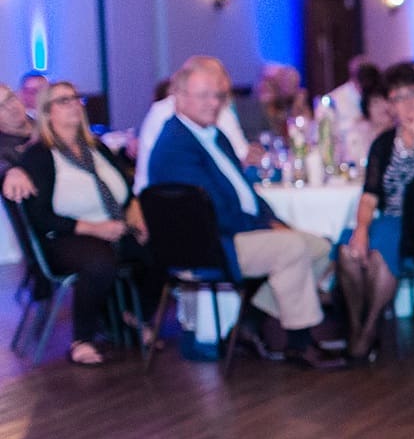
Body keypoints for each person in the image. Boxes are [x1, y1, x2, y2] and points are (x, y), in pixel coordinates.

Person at [147, 64, 343, 369]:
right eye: (203, 97)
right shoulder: (176, 145)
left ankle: (248, 324)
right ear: (179, 97)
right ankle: (299, 343)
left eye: (217, 96)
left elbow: (244, 192)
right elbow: (209, 210)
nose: (213, 104)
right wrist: (264, 228)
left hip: (233, 232)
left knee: (320, 247)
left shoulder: (212, 134)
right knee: (291, 248)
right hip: (210, 244)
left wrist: (272, 221)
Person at [18, 82, 160, 365]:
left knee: (165, 247)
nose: (74, 104)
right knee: (100, 261)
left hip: (114, 227)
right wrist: (94, 228)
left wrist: (135, 213)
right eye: (63, 101)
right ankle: (81, 339)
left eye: (76, 98)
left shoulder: (98, 147)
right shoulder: (41, 155)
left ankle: (133, 316)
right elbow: (40, 216)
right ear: (47, 113)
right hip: (65, 236)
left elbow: (127, 189)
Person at [336, 63, 414, 360]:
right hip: (389, 220)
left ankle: (368, 332)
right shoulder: (382, 144)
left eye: (412, 95)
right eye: (398, 98)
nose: (407, 104)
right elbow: (369, 196)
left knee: (381, 254)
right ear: (390, 104)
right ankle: (357, 326)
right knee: (347, 251)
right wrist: (362, 229)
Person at [134, 55, 251, 194]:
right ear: (181, 95)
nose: (214, 102)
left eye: (219, 94)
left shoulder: (218, 123)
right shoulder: (171, 131)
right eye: (205, 94)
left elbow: (241, 160)